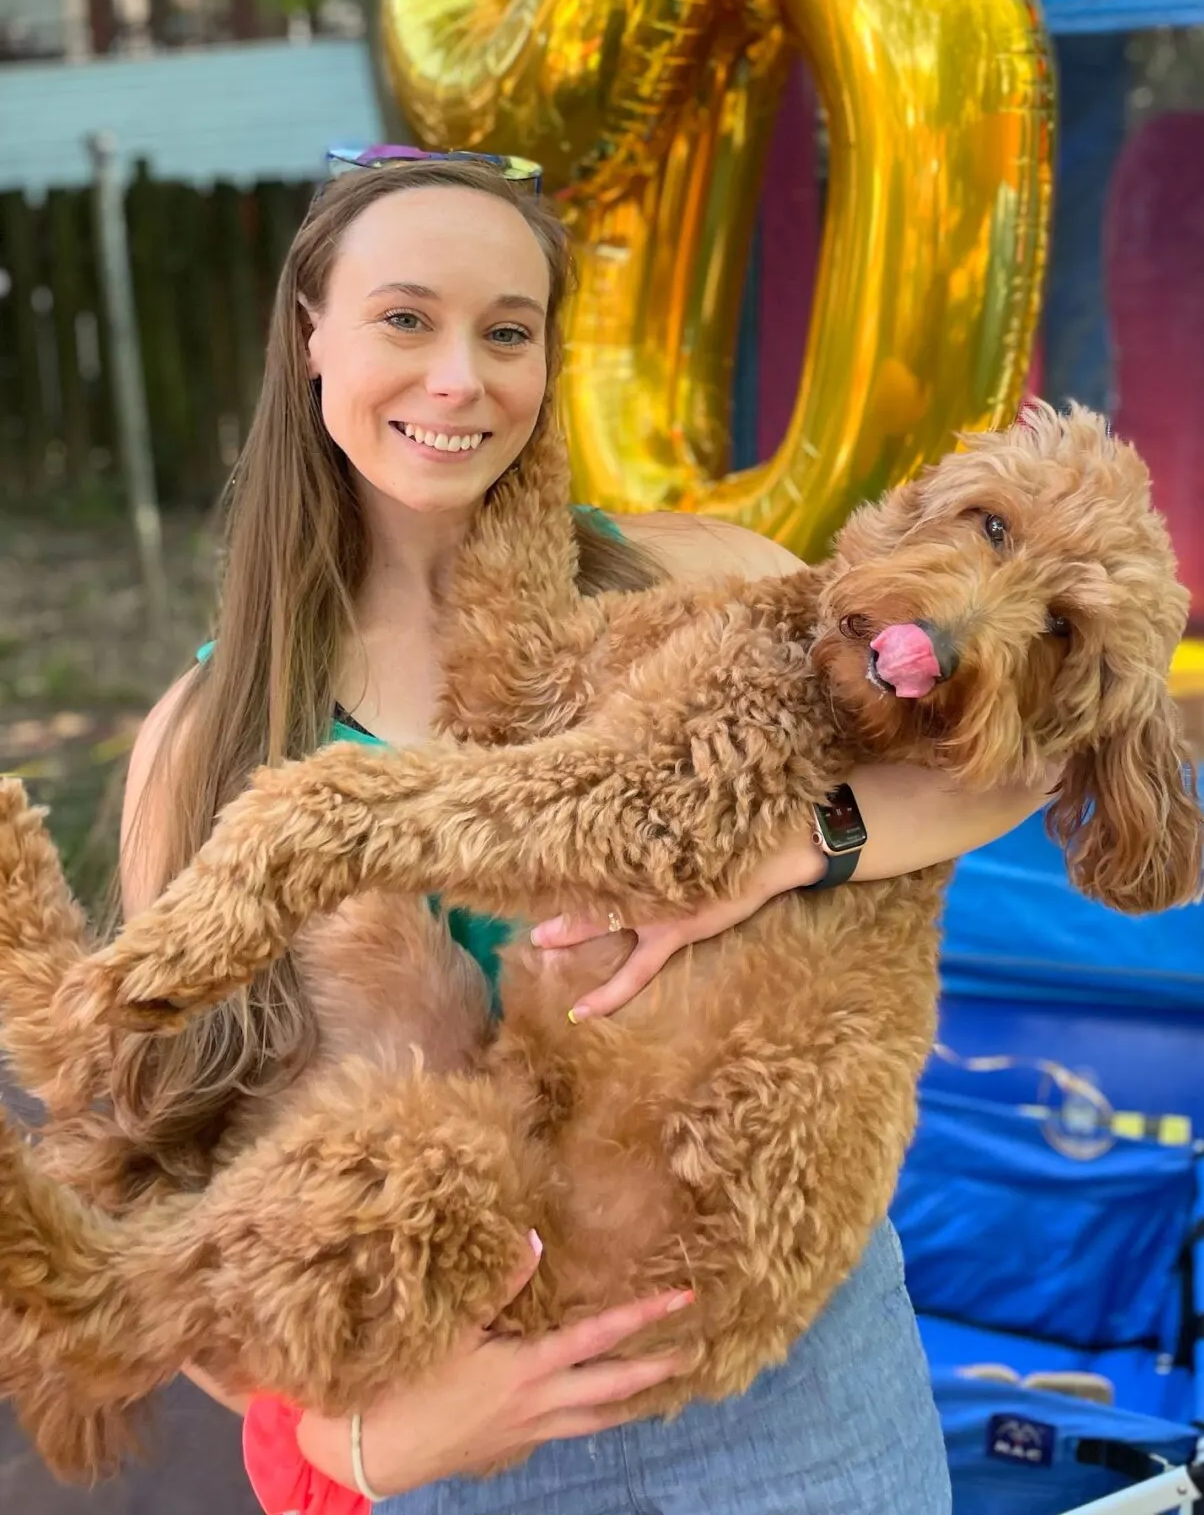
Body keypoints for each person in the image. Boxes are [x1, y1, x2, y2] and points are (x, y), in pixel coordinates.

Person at [116, 150, 1057, 1513]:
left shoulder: (702, 578)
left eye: (508, 332)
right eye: (405, 319)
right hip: (458, 1420)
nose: (460, 380)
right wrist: (349, 1447)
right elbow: (147, 1172)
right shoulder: (205, 739)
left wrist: (796, 846)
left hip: (787, 1385)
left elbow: (1015, 751)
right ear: (310, 334)